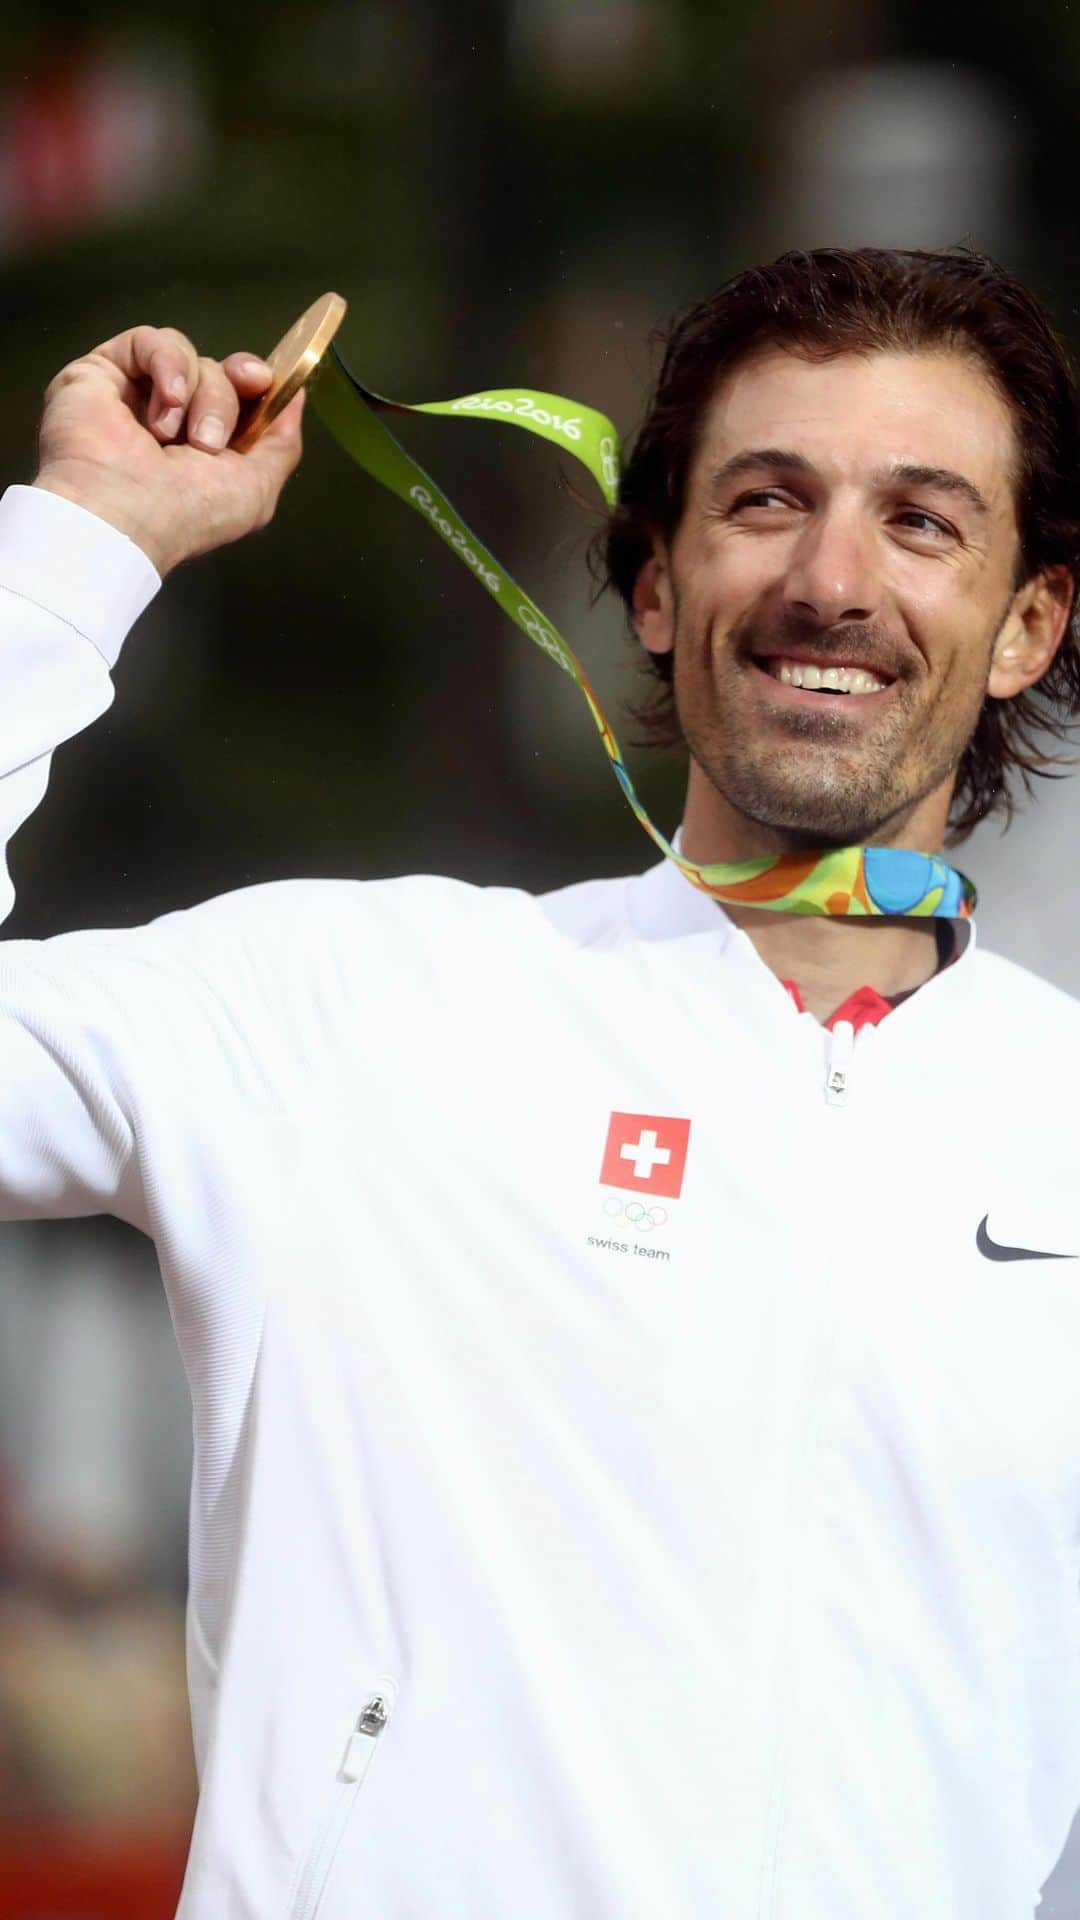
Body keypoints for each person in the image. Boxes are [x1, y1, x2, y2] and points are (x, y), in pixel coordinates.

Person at [2, 247, 1080, 1920]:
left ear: (1028, 624)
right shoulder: (361, 1009)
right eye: (767, 501)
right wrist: (79, 554)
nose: (832, 580)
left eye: (923, 521)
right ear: (651, 589)